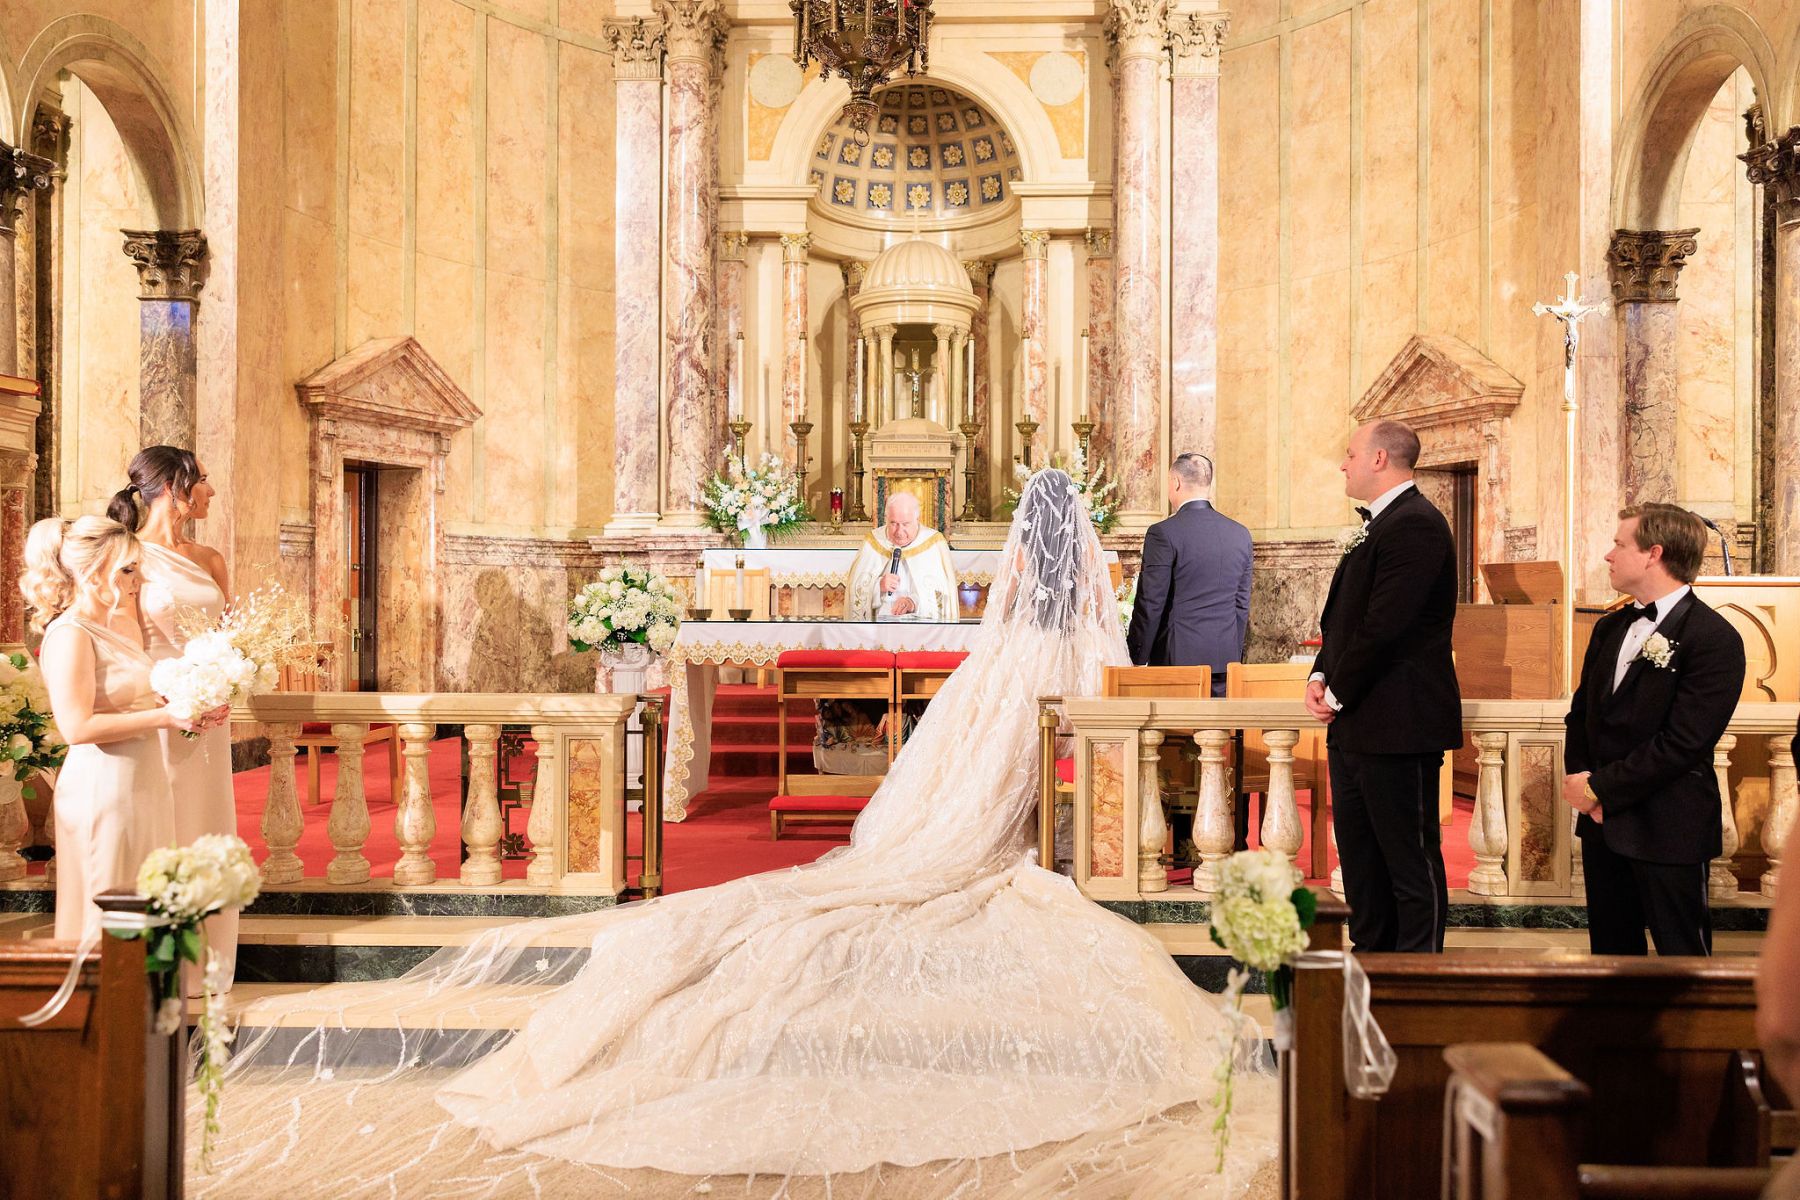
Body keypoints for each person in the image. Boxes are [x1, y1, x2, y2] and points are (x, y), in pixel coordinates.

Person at [207, 469, 1277, 1198]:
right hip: (1073, 685)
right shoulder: (1088, 605)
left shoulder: (1000, 611)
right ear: (1078, 535)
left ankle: (991, 836)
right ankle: (1057, 846)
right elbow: (1106, 656)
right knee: (1040, 772)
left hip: (1002, 694)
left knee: (964, 787)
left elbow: (993, 648)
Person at [1305, 419, 1461, 953]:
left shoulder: (1416, 524)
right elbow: (1344, 621)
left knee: (1409, 861)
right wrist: (1321, 672)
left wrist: (1336, 690)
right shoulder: (1379, 525)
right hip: (1357, 725)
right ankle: (1370, 964)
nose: (1343, 464)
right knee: (1362, 859)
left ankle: (1420, 982)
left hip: (1400, 723)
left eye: (1350, 454)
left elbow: (1386, 625)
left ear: (1379, 460)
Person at [1564, 503, 1745, 956]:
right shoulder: (1609, 627)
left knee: (1682, 959)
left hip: (1669, 826)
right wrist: (1584, 784)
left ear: (1653, 554)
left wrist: (1602, 788)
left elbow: (1683, 743)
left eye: (1620, 544)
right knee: (1611, 958)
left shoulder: (1714, 638)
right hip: (1603, 826)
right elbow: (1581, 716)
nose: (1608, 555)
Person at [19, 517, 209, 941]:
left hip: (143, 782)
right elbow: (76, 726)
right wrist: (165, 718)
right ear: (91, 571)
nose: (137, 579)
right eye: (126, 569)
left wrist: (185, 705)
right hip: (102, 788)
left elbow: (130, 698)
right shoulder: (69, 634)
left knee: (144, 903)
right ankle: (101, 1004)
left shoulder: (117, 627)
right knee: (103, 912)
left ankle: (141, 1003)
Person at [112, 445, 239, 989]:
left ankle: (205, 965)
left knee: (206, 822)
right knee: (162, 825)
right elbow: (121, 640)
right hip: (160, 707)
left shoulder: (210, 557)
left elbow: (233, 632)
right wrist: (161, 695)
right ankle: (156, 964)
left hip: (211, 709)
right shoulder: (128, 554)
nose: (210, 490)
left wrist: (231, 674)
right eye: (203, 480)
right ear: (172, 487)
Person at [1126, 452, 1252, 699]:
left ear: (1175, 482)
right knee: (1216, 735)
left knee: (1177, 736)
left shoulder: (1163, 533)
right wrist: (1232, 655)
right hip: (1225, 662)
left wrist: (1136, 655)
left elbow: (1151, 601)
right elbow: (1241, 604)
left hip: (1177, 663)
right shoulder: (1240, 534)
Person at [844, 491, 958, 620]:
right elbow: (855, 591)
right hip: (879, 631)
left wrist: (912, 602)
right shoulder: (873, 541)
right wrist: (878, 586)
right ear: (886, 518)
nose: (899, 531)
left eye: (905, 524)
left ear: (917, 519)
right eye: (893, 523)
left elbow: (943, 596)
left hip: (921, 631)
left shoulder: (933, 543)